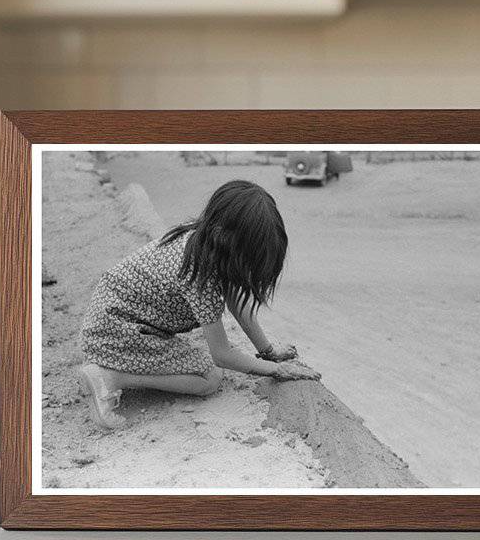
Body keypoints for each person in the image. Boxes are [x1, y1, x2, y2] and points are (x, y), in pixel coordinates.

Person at [78, 179, 320, 430]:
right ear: (225, 238)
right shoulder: (200, 275)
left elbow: (235, 301)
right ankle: (110, 378)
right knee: (209, 378)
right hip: (116, 332)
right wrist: (275, 371)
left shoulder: (202, 241)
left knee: (205, 367)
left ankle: (112, 370)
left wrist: (268, 352)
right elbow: (222, 355)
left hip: (110, 317)